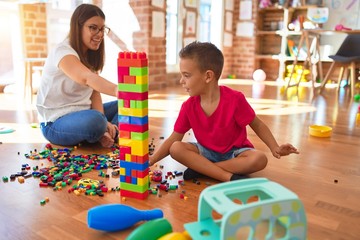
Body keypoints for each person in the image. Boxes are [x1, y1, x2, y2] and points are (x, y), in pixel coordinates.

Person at [149, 41, 299, 182]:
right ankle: (227, 177)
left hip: (235, 154)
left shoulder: (235, 99)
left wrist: (275, 148)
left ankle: (202, 169)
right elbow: (173, 139)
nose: (181, 80)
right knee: (176, 147)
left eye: (186, 75)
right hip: (205, 152)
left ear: (208, 76)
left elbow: (257, 125)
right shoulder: (188, 106)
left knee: (259, 159)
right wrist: (152, 159)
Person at [36, 4, 118, 148]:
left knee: (124, 106)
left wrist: (104, 120)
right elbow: (86, 78)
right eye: (93, 28)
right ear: (77, 26)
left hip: (84, 114)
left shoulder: (90, 56)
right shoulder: (63, 52)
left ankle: (107, 133)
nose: (99, 34)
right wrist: (121, 91)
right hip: (55, 123)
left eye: (102, 29)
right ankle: (101, 131)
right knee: (96, 120)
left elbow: (94, 93)